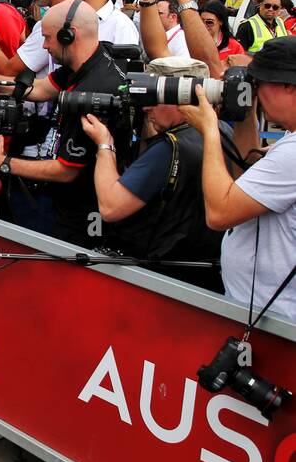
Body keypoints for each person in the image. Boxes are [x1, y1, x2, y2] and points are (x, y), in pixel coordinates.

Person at [0, 0, 129, 247]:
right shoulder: (88, 59)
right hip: (67, 205)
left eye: (47, 37)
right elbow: (40, 90)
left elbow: (66, 171)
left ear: (69, 36)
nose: (44, 45)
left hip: (82, 217)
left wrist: (1, 162)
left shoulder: (93, 92)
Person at [80, 56, 242, 291]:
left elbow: (110, 207)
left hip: (161, 282)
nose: (145, 107)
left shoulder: (170, 147)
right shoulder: (221, 131)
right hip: (206, 278)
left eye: (153, 97)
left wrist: (105, 145)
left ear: (180, 96)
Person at [181, 36, 296, 324]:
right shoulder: (289, 144)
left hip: (275, 319)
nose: (255, 90)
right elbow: (251, 178)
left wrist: (210, 129)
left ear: (288, 86)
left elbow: (220, 213)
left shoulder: (292, 155)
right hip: (264, 310)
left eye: (260, 84)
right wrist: (243, 114)